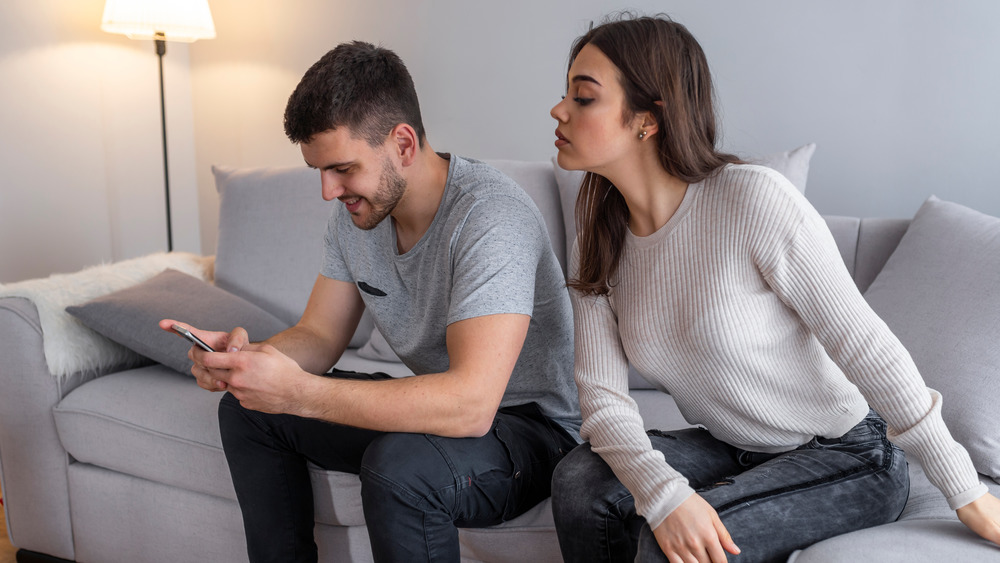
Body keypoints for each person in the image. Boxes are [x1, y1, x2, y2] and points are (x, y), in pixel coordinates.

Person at [548, 14, 1000, 563]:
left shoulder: (751, 199)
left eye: (584, 97)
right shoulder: (598, 231)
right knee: (579, 480)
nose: (559, 109)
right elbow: (602, 399)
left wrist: (967, 491)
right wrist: (664, 495)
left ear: (648, 117)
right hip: (731, 448)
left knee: (675, 549)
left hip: (846, 454)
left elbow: (864, 344)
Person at [160, 41, 580, 563]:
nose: (327, 192)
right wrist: (254, 364)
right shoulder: (359, 216)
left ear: (403, 143)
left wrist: (300, 393)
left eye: (342, 169)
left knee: (400, 465)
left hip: (531, 430)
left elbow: (471, 405)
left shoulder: (490, 218)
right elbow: (318, 335)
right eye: (319, 171)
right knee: (250, 410)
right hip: (440, 416)